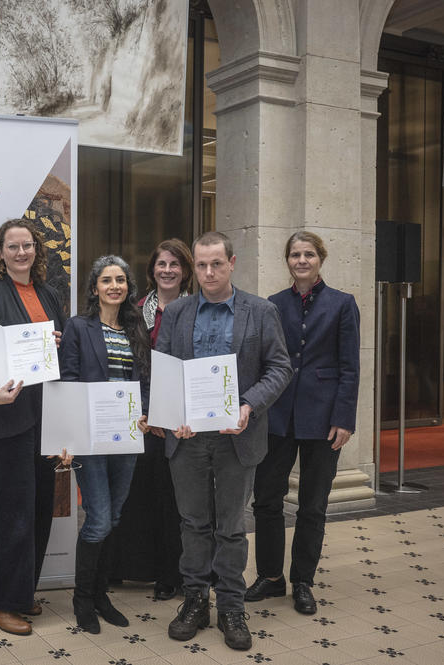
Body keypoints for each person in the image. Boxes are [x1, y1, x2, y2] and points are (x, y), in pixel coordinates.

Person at [155, 231, 291, 651]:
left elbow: (280, 368)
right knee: (193, 523)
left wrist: (249, 405)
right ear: (192, 266)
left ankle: (231, 605)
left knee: (231, 527)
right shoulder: (177, 312)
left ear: (232, 262)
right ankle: (195, 599)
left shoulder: (260, 310)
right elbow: (163, 371)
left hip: (238, 437)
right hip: (188, 439)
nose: (209, 272)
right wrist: (169, 414)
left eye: (217, 263)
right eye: (201, 265)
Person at [247, 231, 360, 616]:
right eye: (295, 254)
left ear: (320, 259)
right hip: (277, 416)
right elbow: (265, 361)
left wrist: (345, 418)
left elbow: (350, 367)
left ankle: (303, 581)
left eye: (308, 254)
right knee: (266, 499)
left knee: (313, 505)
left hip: (324, 419)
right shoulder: (273, 305)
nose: (301, 260)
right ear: (287, 260)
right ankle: (270, 576)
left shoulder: (342, 304)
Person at [0, 218, 67, 636]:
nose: (21, 252)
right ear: (0, 253)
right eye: (13, 246)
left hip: (46, 415)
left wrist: (57, 344)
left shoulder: (50, 294)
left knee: (40, 509)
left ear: (36, 251)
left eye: (27, 245)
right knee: (13, 514)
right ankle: (0, 603)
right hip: (7, 418)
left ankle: (22, 592)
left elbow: (58, 354)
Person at [59, 255, 150, 634]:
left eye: (121, 280)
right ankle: (83, 598)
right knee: (97, 518)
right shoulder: (79, 327)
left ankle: (100, 595)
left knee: (113, 517)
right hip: (90, 437)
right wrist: (66, 437)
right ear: (94, 287)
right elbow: (68, 380)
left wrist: (146, 412)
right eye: (107, 280)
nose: (115, 286)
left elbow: (142, 379)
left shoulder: (135, 328)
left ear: (128, 287)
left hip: (127, 436)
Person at [111, 239, 193, 600]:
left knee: (173, 500)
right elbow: (127, 365)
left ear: (186, 270)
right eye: (161, 263)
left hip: (182, 420)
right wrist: (145, 410)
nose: (168, 270)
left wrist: (171, 412)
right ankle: (133, 567)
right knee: (137, 495)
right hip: (141, 418)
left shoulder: (196, 309)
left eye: (175, 264)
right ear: (152, 269)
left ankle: (170, 573)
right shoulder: (136, 309)